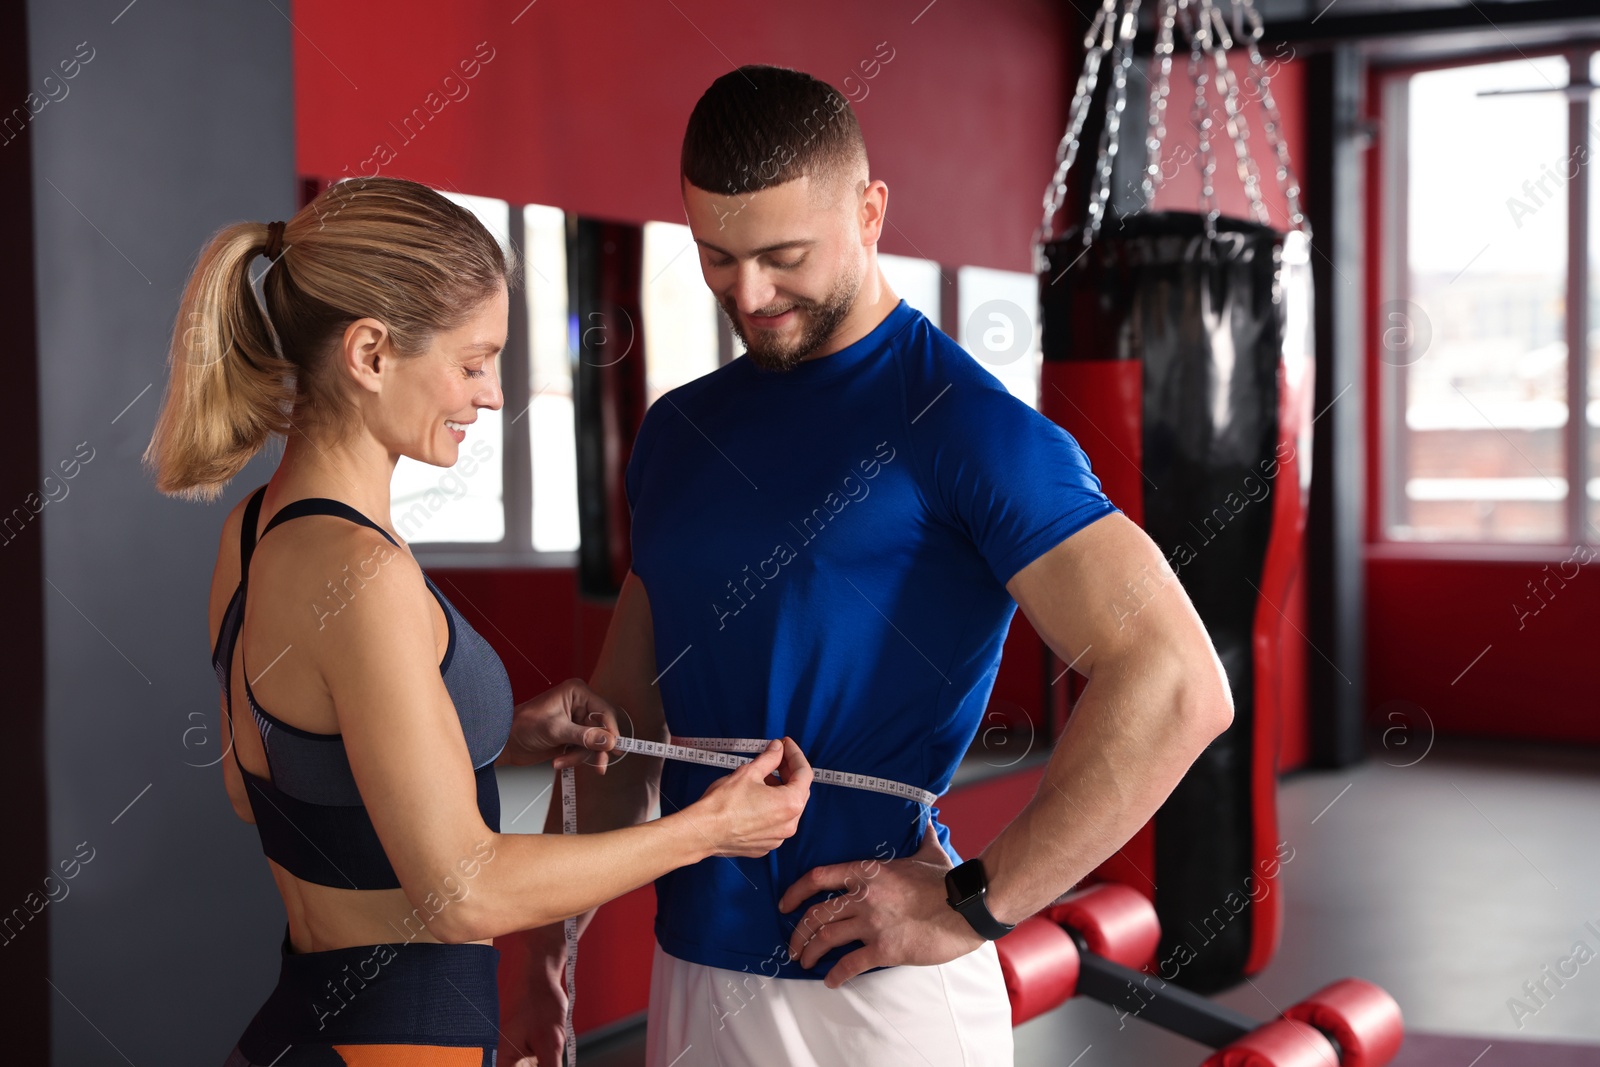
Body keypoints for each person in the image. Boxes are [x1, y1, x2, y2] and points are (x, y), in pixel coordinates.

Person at [503, 65, 1236, 1066]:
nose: (749, 293)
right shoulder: (678, 435)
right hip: (693, 970)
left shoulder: (967, 427)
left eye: (783, 255)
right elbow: (626, 736)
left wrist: (978, 900)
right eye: (717, 258)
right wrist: (545, 948)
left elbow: (1178, 681)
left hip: (875, 987)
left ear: (870, 210)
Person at [143, 175, 813, 1066]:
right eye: (471, 362)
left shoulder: (256, 529)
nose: (492, 395)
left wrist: (481, 732)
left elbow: (262, 782)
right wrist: (708, 830)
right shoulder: (364, 572)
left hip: (303, 1031)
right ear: (372, 353)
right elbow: (462, 893)